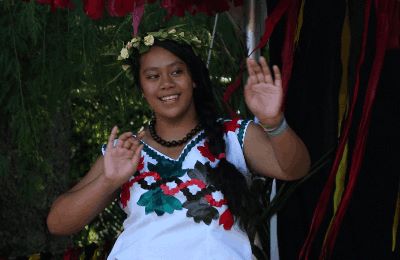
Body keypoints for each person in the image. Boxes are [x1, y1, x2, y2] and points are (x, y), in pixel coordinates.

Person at [47, 27, 310, 259]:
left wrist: (274, 123)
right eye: (152, 76)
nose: (166, 84)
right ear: (141, 87)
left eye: (176, 72)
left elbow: (294, 168)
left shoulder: (234, 136)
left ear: (193, 78)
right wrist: (108, 180)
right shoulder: (126, 152)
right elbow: (58, 223)